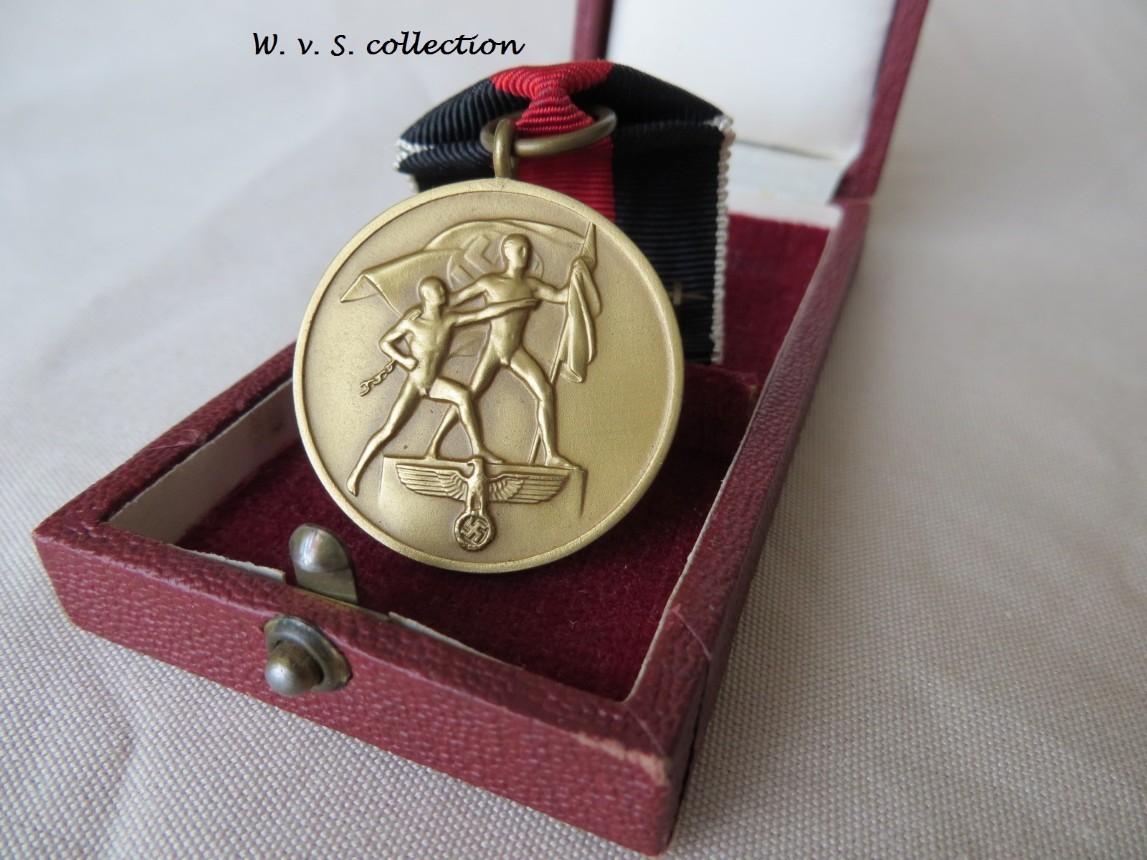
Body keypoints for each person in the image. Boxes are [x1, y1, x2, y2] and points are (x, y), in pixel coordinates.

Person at [346, 276, 536, 496]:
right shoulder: (413, 322)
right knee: (389, 430)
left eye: (442, 289)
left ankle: (478, 449)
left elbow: (481, 314)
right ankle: (356, 473)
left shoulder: (449, 319)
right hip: (415, 383)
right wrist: (404, 359)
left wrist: (515, 304)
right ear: (426, 296)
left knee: (463, 396)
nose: (443, 292)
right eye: (438, 290)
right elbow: (385, 342)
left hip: (433, 383)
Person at [426, 233, 585, 468]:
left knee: (545, 391)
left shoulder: (531, 286)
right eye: (519, 250)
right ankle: (433, 446)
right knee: (469, 396)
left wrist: (577, 274)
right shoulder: (489, 282)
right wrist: (426, 313)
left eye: (526, 250)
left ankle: (551, 455)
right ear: (507, 253)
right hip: (494, 350)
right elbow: (453, 300)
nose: (525, 254)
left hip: (515, 351)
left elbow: (561, 296)